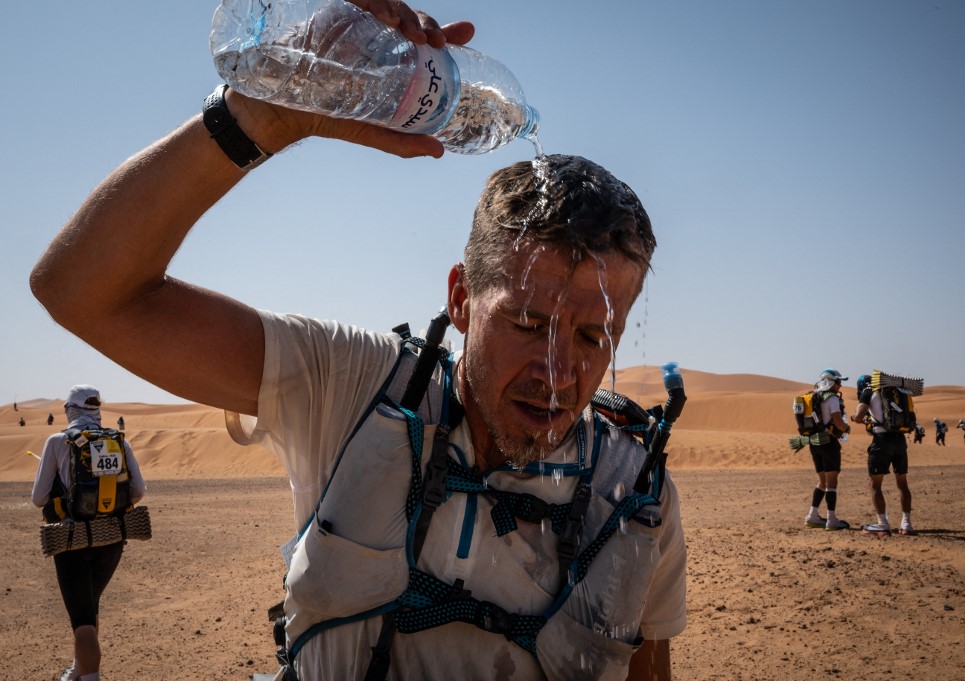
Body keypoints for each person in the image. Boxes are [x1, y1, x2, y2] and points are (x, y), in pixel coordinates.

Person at [28, 3, 686, 678]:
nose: (558, 372)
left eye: (592, 335)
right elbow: (81, 291)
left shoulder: (635, 493)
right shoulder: (350, 387)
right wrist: (268, 117)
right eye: (527, 323)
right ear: (461, 298)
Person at [31, 385, 145, 681]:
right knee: (89, 605)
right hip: (112, 541)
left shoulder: (58, 441)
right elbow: (139, 491)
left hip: (72, 542)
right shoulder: (119, 440)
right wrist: (106, 509)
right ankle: (79, 669)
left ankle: (89, 674)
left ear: (70, 410)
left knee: (82, 620)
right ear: (96, 409)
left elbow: (38, 498)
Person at [852, 375, 914, 536]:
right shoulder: (897, 392)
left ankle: (882, 524)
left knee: (875, 485)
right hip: (900, 441)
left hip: (881, 442)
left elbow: (859, 416)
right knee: (902, 484)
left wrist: (854, 418)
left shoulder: (868, 391)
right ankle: (906, 525)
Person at [800, 369, 851, 531]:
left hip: (814, 442)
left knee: (822, 481)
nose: (840, 385)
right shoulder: (832, 398)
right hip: (829, 443)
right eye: (838, 382)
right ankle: (831, 519)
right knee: (831, 482)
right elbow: (837, 421)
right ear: (831, 382)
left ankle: (812, 515)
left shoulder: (813, 397)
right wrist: (846, 428)